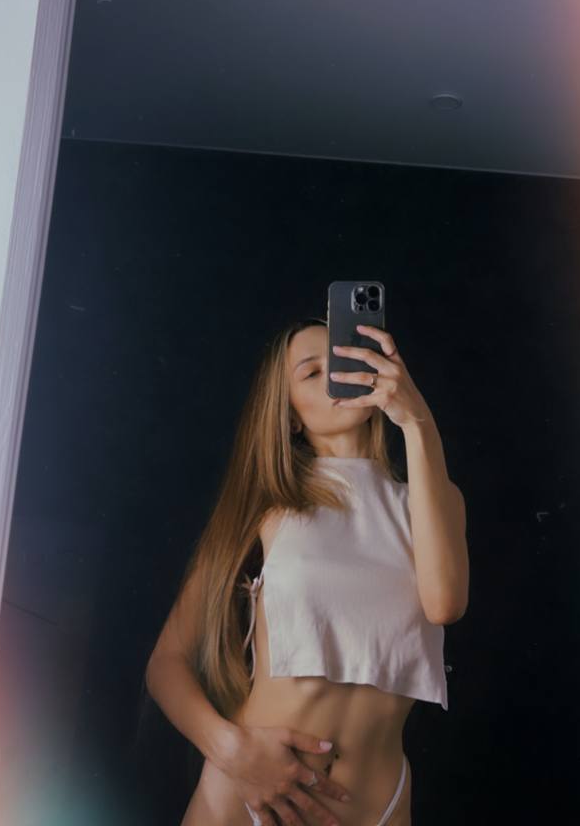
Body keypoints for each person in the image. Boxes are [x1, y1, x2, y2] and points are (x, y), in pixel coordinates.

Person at [145, 315, 468, 825]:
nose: (336, 377)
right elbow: (166, 663)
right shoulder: (265, 508)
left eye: (342, 360)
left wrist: (416, 422)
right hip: (252, 797)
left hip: (376, 806)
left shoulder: (434, 501)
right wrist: (232, 751)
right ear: (290, 415)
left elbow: (444, 603)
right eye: (312, 372)